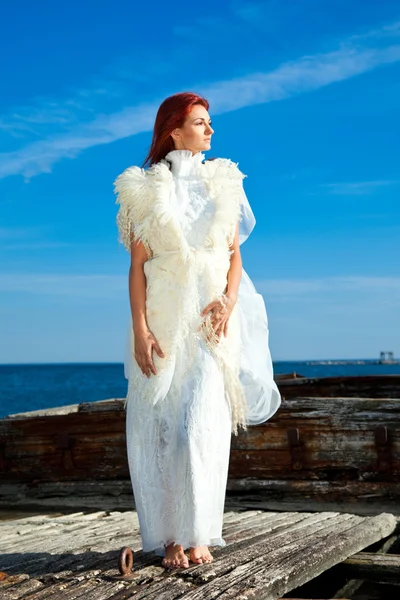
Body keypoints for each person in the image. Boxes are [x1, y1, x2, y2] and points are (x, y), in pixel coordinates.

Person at [114, 92, 281, 570]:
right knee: (160, 429)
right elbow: (137, 268)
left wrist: (230, 301)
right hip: (163, 324)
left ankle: (200, 532)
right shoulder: (142, 190)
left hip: (211, 325)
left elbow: (235, 257)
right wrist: (140, 329)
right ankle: (169, 538)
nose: (210, 131)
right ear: (174, 129)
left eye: (210, 123)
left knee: (198, 427)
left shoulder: (223, 182)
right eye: (201, 123)